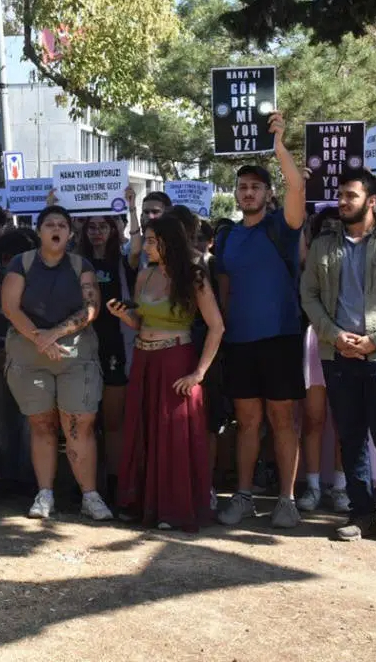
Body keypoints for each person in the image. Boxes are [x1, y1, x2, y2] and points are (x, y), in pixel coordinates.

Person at [302, 169, 376, 550]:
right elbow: (309, 297)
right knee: (351, 439)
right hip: (338, 355)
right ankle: (361, 514)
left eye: (351, 195)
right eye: (340, 195)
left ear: (372, 201)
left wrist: (375, 340)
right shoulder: (323, 245)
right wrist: (335, 335)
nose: (342, 201)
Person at [214, 111, 308, 529]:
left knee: (281, 420)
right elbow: (223, 293)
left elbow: (298, 185)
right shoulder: (227, 235)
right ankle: (245, 494)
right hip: (239, 343)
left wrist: (279, 146)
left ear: (269, 194)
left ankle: (286, 499)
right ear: (235, 195)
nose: (248, 192)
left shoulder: (282, 226)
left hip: (281, 339)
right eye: (242, 187)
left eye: (255, 187)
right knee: (247, 422)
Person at [108, 216, 224, 531]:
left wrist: (199, 372)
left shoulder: (194, 277)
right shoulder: (143, 275)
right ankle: (142, 504)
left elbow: (217, 326)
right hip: (145, 363)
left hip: (177, 360)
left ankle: (172, 510)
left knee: (173, 437)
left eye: (149, 240)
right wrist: (124, 315)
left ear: (167, 241)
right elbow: (141, 322)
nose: (144, 246)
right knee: (143, 432)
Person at [1, 205, 113, 520]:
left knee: (79, 426)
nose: (56, 229)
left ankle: (90, 496)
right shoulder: (20, 263)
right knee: (42, 425)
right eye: (50, 224)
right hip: (30, 354)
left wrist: (55, 334)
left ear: (70, 232)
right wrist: (40, 339)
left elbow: (91, 307)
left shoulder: (82, 265)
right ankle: (45, 494)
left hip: (75, 355)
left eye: (62, 225)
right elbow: (10, 307)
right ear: (39, 231)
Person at [77, 206, 137, 498]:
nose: (97, 232)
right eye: (91, 227)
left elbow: (137, 246)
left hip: (116, 347)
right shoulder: (74, 263)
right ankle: (84, 483)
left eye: (104, 226)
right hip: (80, 347)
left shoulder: (125, 261)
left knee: (113, 422)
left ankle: (114, 482)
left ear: (114, 229)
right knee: (83, 422)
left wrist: (131, 206)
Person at [295, 207, 350, 514]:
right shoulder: (310, 260)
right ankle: (313, 487)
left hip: (349, 342)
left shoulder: (358, 258)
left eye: (337, 226)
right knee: (313, 418)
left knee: (344, 421)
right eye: (324, 227)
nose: (331, 231)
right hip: (316, 341)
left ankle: (341, 488)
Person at [0, 228, 41, 491]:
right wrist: (0, 281)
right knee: (2, 416)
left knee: (31, 417)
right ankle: (8, 474)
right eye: (8, 258)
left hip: (30, 352)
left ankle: (29, 477)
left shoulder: (39, 279)